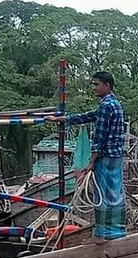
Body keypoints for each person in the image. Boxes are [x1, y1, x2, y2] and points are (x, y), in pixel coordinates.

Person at [46, 72, 126, 244]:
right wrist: (61, 119)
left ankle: (101, 234)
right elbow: (88, 116)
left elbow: (100, 137)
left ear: (107, 85)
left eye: (96, 84)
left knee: (102, 195)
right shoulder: (114, 104)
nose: (94, 88)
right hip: (116, 156)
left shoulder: (106, 106)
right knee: (115, 194)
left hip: (105, 157)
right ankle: (116, 231)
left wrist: (91, 161)